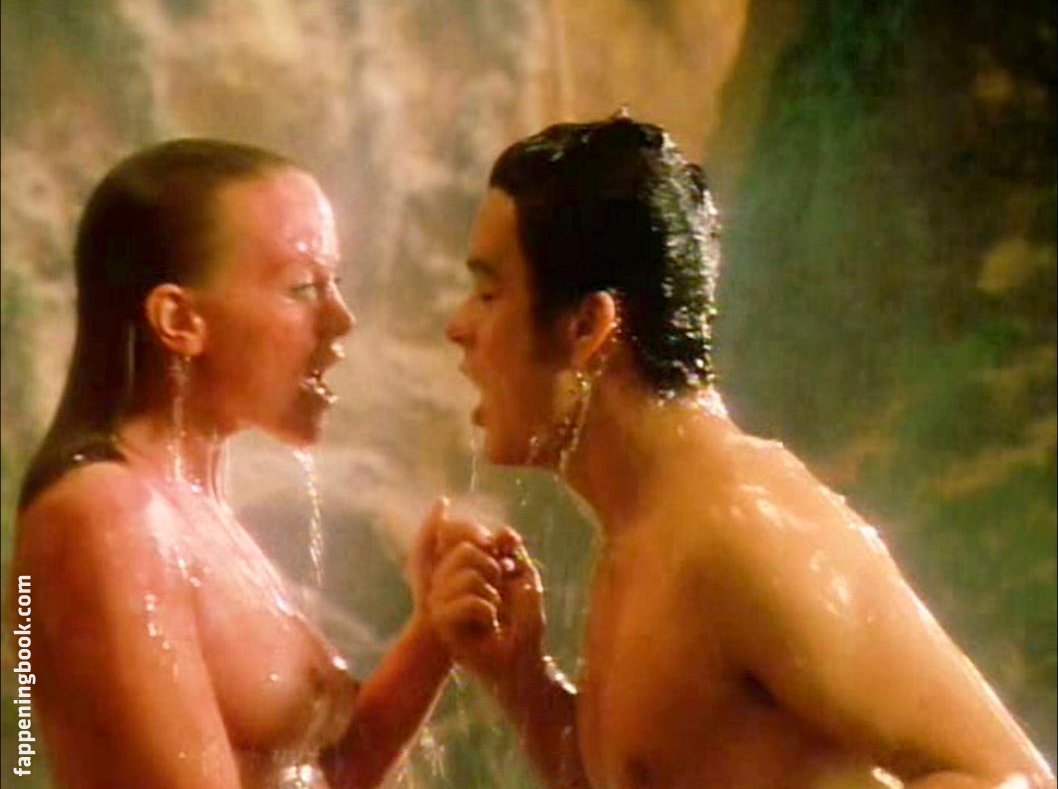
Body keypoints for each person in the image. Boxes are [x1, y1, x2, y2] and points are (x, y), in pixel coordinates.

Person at [427, 116, 1056, 788]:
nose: (459, 326)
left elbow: (1008, 778)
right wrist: (524, 683)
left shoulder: (742, 530)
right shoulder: (650, 530)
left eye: (489, 293)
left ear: (588, 327)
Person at [11, 139, 455, 787]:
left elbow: (321, 772)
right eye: (303, 288)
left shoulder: (191, 504)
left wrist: (434, 636)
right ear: (179, 320)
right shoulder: (107, 518)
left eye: (334, 285)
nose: (341, 319)